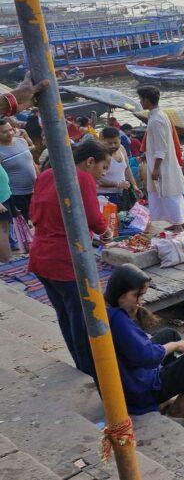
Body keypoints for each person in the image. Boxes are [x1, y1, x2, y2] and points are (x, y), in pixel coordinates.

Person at [29, 140, 113, 377]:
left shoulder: (46, 174)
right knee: (81, 319)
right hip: (64, 259)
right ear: (90, 161)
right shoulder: (82, 178)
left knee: (65, 315)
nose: (104, 174)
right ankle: (91, 371)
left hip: (40, 255)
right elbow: (93, 218)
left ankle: (80, 365)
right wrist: (106, 231)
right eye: (103, 167)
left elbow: (33, 212)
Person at [105, 264, 184, 417]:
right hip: (141, 391)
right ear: (120, 294)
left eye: (141, 295)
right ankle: (180, 405)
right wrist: (173, 346)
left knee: (169, 333)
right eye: (136, 296)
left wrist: (171, 344)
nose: (140, 301)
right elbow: (148, 356)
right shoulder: (119, 321)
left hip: (129, 381)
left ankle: (167, 395)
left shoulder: (108, 310)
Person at [139, 86, 184, 227]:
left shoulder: (156, 120)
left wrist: (156, 168)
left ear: (147, 100)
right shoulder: (160, 115)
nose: (140, 102)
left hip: (162, 166)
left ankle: (178, 226)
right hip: (162, 164)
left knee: (168, 195)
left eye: (141, 99)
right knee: (164, 196)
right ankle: (177, 224)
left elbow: (161, 148)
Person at [0, 118, 37, 219]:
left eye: (10, 130)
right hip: (17, 195)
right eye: (4, 132)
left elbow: (32, 162)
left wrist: (39, 180)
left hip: (34, 190)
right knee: (24, 223)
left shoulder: (22, 141)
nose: (10, 133)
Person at [97, 126, 140, 211]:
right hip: (105, 197)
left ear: (120, 140)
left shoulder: (122, 149)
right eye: (109, 143)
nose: (113, 146)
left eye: (115, 143)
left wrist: (135, 186)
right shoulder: (99, 154)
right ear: (103, 141)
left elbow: (127, 169)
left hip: (123, 194)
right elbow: (96, 180)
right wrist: (117, 184)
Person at [0, 164, 11, 263]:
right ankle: (5, 261)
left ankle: (5, 260)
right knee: (2, 231)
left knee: (5, 230)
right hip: (1, 201)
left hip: (5, 197)